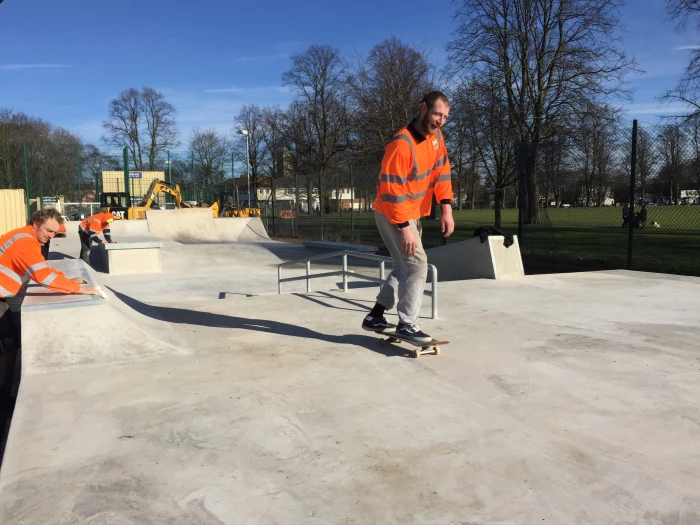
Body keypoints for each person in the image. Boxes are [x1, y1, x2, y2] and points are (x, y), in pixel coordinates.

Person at [361, 91, 455, 343]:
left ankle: (376, 315)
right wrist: (404, 228)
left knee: (404, 267)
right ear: (423, 109)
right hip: (393, 212)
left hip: (411, 213)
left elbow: (442, 172)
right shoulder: (401, 144)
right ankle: (407, 324)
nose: (440, 121)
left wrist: (446, 208)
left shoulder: (436, 138)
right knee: (417, 265)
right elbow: (391, 190)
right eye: (437, 114)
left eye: (445, 117)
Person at [0, 209, 99, 394]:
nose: (51, 236)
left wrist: (68, 281)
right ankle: (4, 394)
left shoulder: (26, 236)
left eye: (54, 232)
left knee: (10, 346)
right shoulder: (25, 242)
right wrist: (78, 289)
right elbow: (42, 276)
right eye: (48, 230)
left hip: (3, 299)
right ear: (36, 224)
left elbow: (42, 267)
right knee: (6, 348)